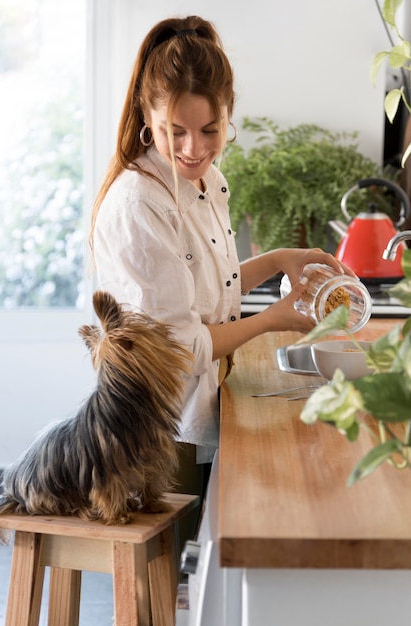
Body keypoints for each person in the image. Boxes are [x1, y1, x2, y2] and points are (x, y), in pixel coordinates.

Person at [89, 15, 352, 539]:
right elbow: (183, 347)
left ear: (229, 113)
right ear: (147, 115)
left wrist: (280, 258)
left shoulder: (206, 180)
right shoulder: (140, 203)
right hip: (161, 429)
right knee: (189, 567)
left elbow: (210, 294)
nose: (193, 148)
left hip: (202, 402)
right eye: (174, 131)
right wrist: (273, 320)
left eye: (210, 130)